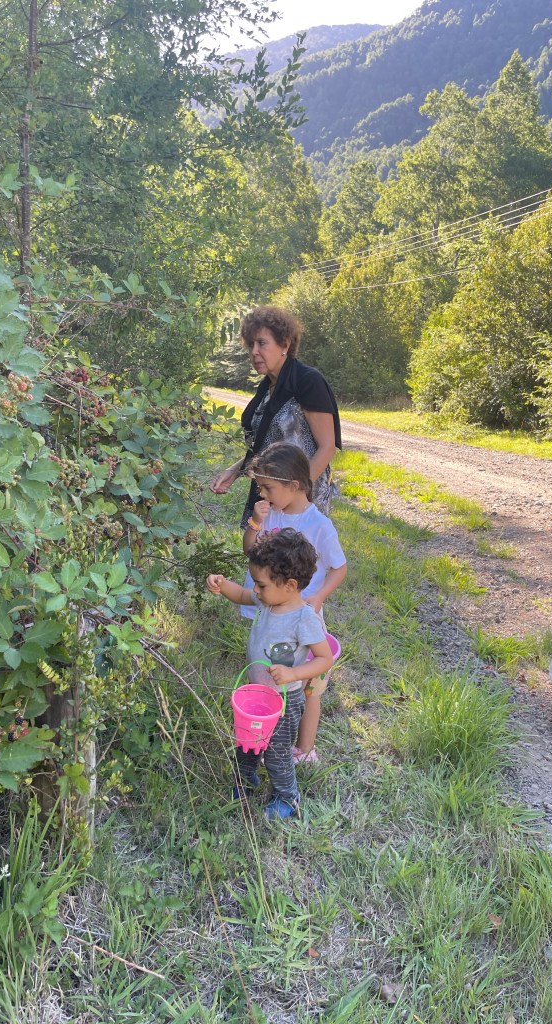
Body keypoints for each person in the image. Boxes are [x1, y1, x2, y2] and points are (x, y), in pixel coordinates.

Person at [206, 529, 333, 821]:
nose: (256, 590)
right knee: (246, 743)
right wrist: (221, 584)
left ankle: (287, 797)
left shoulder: (304, 618)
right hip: (255, 694)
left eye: (261, 585)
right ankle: (246, 779)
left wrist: (293, 673)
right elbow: (241, 595)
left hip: (284, 701)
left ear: (290, 585)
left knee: (277, 753)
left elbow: (324, 659)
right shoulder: (267, 600)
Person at [242, 442, 347, 764]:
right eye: (260, 487)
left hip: (303, 618)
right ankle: (269, 735)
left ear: (294, 485)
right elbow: (250, 552)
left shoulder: (319, 525)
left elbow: (339, 567)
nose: (262, 494)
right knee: (273, 678)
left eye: (268, 487)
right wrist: (254, 524)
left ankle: (305, 748)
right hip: (274, 616)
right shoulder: (268, 514)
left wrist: (319, 596)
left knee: (309, 686)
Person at [209, 306, 342, 528]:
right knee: (261, 549)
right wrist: (234, 471)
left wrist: (294, 495)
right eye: (251, 345)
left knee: (294, 550)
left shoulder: (307, 381)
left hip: (302, 504)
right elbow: (265, 447)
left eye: (262, 343)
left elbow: (327, 447)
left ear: (285, 345)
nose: (254, 352)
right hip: (269, 497)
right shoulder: (266, 389)